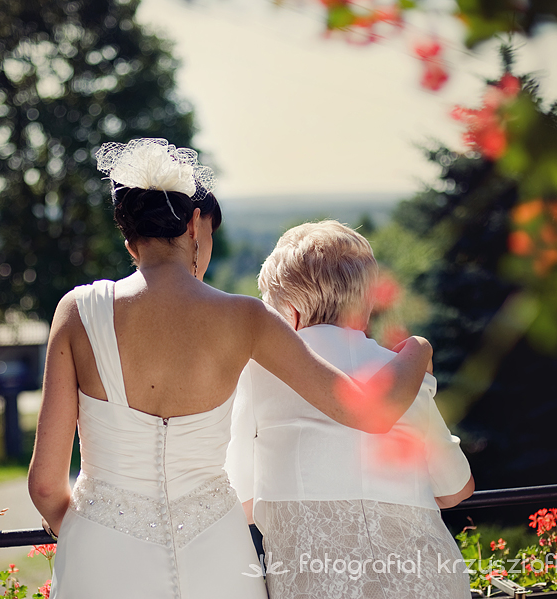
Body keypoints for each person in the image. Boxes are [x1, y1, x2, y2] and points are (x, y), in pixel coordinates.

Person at [27, 139, 434, 599]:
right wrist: (416, 350)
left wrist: (97, 527)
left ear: (130, 240)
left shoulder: (77, 311)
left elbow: (45, 485)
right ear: (196, 223)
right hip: (215, 554)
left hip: (100, 557)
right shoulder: (246, 318)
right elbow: (371, 413)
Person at [225, 220, 474, 599]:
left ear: (288, 312)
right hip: (428, 583)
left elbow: (238, 500)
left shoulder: (258, 374)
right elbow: (457, 488)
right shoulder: (404, 374)